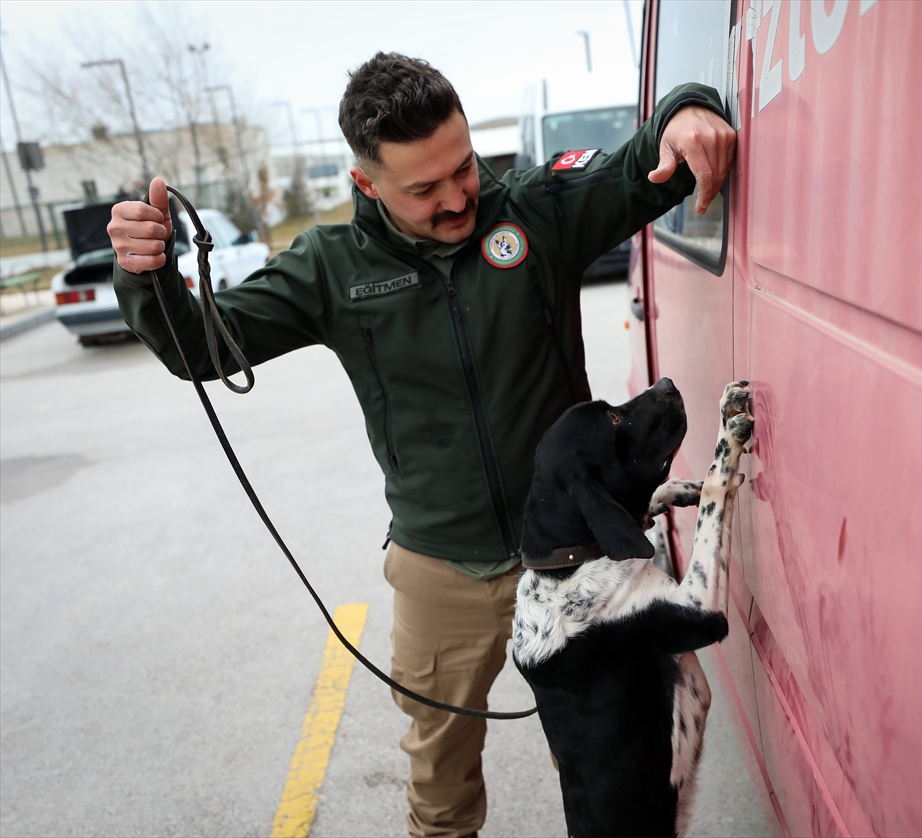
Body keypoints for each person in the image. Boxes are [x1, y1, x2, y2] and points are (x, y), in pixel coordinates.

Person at [107, 52, 735, 838]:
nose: (456, 197)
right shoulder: (330, 269)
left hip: (583, 563)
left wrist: (689, 106)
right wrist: (151, 277)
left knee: (610, 763)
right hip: (445, 570)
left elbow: (651, 162)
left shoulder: (536, 213)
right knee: (441, 792)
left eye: (463, 167)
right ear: (367, 184)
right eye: (423, 188)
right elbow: (201, 348)